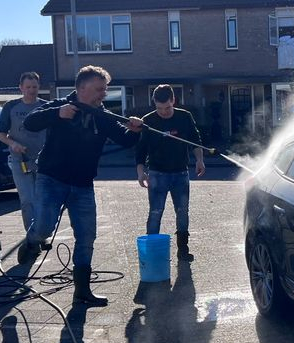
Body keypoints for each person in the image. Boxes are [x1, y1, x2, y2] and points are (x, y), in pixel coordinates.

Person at [17, 65, 143, 306]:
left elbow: (124, 140)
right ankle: (32, 241)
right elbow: (31, 123)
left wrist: (135, 130)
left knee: (86, 236)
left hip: (83, 185)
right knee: (44, 226)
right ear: (82, 88)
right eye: (99, 89)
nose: (103, 94)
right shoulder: (61, 106)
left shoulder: (102, 115)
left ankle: (82, 291)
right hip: (51, 178)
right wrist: (57, 114)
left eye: (105, 90)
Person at [136, 84, 205, 262]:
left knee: (182, 211)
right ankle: (151, 252)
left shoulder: (184, 117)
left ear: (173, 100)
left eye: (167, 107)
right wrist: (141, 172)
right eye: (159, 108)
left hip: (181, 173)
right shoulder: (148, 121)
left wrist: (199, 160)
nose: (164, 112)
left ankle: (183, 250)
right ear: (154, 104)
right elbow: (141, 149)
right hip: (157, 173)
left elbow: (195, 140)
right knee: (155, 212)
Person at [0, 72, 47, 233]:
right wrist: (13, 143)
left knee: (43, 199)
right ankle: (32, 236)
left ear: (39, 87)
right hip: (20, 161)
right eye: (28, 87)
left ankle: (42, 231)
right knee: (27, 199)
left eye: (34, 87)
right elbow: (0, 133)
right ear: (21, 88)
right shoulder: (11, 107)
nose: (31, 90)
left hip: (43, 161)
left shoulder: (47, 106)